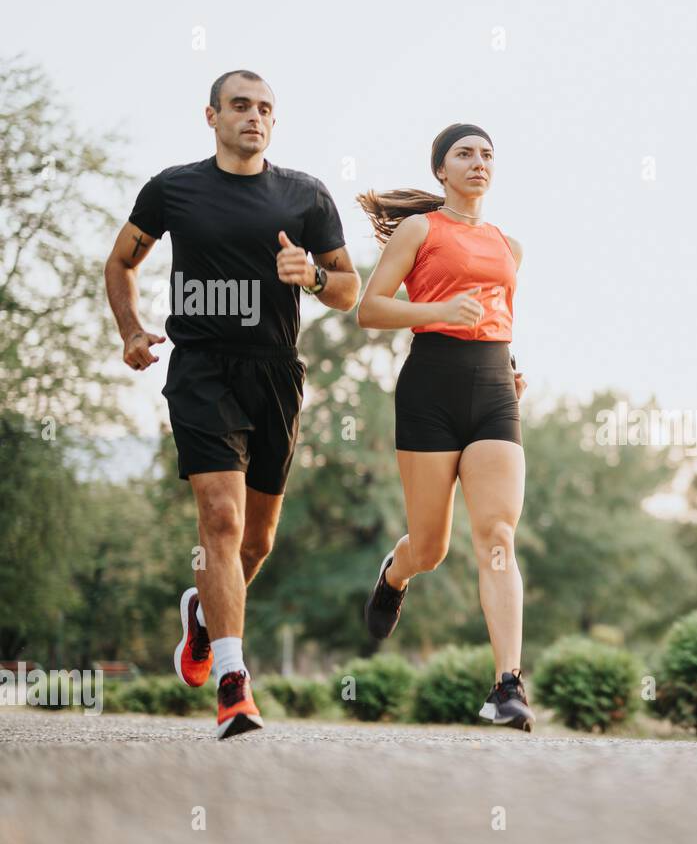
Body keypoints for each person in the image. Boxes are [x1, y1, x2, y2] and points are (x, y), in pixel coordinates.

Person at [104, 70, 360, 739]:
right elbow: (121, 262)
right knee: (220, 517)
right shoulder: (173, 188)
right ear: (211, 115)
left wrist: (316, 274)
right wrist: (131, 330)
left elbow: (350, 290)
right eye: (240, 106)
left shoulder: (305, 194)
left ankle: (201, 613)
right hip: (200, 369)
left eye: (266, 109)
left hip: (275, 374)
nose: (254, 117)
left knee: (257, 541)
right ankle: (232, 682)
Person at [356, 123, 535, 731]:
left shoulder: (509, 245)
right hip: (429, 390)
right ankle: (394, 574)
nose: (478, 162)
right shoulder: (420, 229)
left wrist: (510, 370)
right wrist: (437, 311)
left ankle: (508, 685)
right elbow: (370, 308)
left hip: (492, 395)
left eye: (488, 153)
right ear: (441, 169)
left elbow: (501, 316)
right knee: (430, 548)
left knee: (498, 536)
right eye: (465, 153)